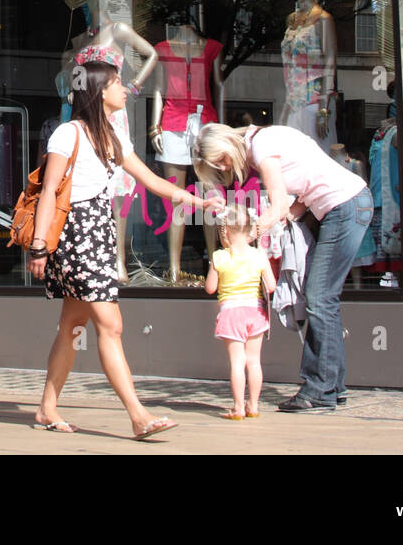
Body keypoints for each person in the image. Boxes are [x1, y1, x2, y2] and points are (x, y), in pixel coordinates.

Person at [28, 59, 225, 439]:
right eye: (118, 83)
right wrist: (38, 246)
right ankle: (137, 415)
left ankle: (46, 408)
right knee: (111, 325)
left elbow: (151, 179)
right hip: (76, 236)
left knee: (72, 325)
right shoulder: (67, 134)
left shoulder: (112, 137)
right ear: (100, 91)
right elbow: (49, 190)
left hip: (98, 234)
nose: (125, 89)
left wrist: (197, 201)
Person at [192, 122, 373, 412]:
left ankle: (320, 390)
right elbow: (308, 184)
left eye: (222, 160)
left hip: (345, 207)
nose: (225, 167)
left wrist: (247, 237)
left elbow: (276, 207)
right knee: (323, 299)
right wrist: (291, 214)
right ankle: (332, 387)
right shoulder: (265, 140)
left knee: (319, 298)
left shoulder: (262, 147)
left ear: (228, 146)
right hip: (345, 205)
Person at [205, 203, 275, 419]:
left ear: (225, 231)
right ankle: (253, 406)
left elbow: (210, 288)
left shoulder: (219, 257)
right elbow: (271, 286)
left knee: (237, 362)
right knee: (254, 361)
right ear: (251, 230)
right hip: (255, 311)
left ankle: (237, 407)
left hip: (230, 313)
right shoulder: (259, 255)